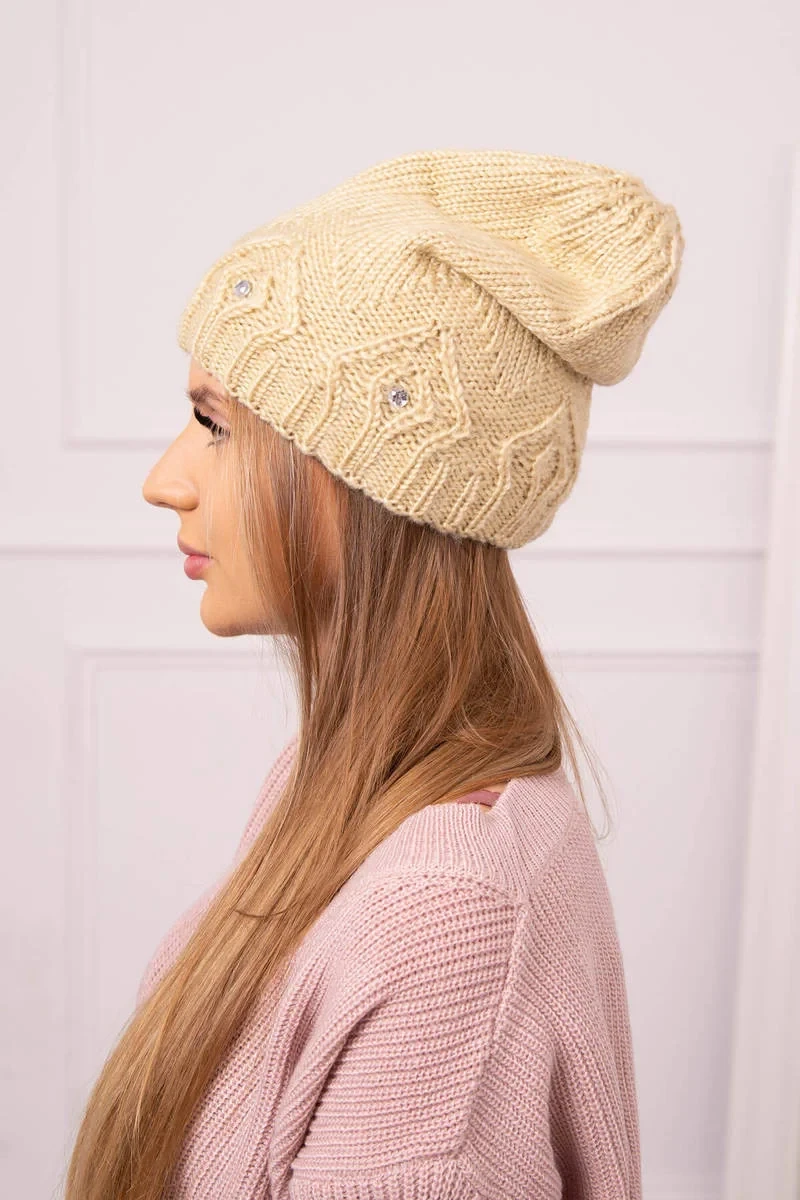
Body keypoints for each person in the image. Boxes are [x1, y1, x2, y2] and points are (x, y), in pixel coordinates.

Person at [64, 148, 684, 1200]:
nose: (165, 480)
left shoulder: (446, 911)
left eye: (215, 426)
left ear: (365, 480)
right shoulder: (356, 785)